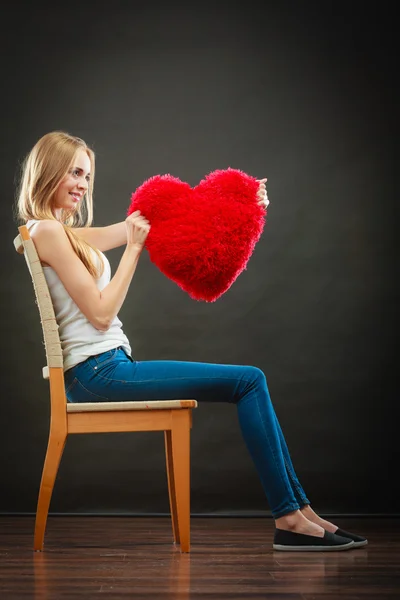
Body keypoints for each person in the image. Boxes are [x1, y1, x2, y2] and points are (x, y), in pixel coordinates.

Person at [15, 131, 367, 552]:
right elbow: (102, 312)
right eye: (74, 172)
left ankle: (302, 512)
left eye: (87, 176)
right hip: (97, 373)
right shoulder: (48, 233)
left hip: (105, 367)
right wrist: (133, 251)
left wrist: (243, 204)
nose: (83, 185)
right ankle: (290, 517)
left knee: (250, 381)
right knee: (249, 381)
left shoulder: (59, 233)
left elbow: (129, 230)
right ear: (49, 169)